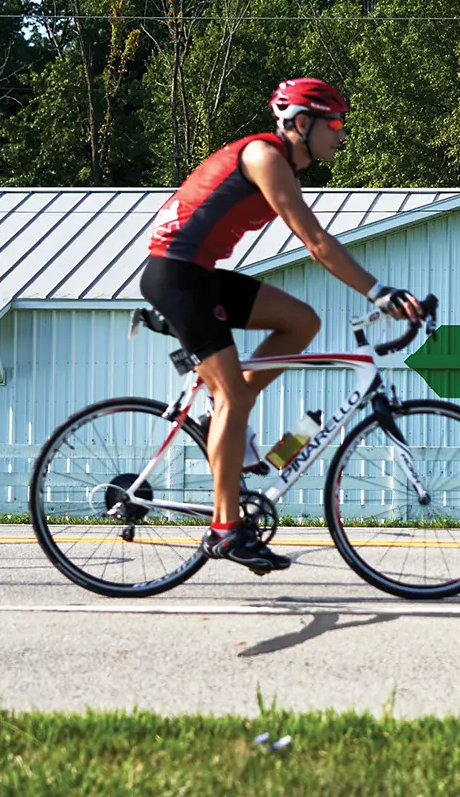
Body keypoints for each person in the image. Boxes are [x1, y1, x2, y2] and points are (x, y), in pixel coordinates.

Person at [139, 78, 423, 574]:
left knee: (301, 322)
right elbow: (315, 241)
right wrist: (378, 291)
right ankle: (226, 529)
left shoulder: (284, 165)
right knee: (234, 397)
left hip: (201, 275)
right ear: (300, 123)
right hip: (177, 276)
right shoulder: (265, 158)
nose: (340, 134)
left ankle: (220, 416)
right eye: (333, 124)